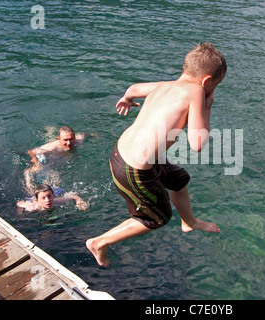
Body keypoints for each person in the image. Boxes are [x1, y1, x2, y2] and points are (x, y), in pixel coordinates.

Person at [86, 43, 226, 267]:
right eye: (215, 86)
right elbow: (197, 143)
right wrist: (208, 106)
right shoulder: (198, 92)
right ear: (206, 80)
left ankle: (189, 222)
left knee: (179, 179)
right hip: (134, 170)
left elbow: (133, 88)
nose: (212, 91)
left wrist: (126, 99)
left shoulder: (165, 85)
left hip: (121, 152)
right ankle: (100, 242)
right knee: (158, 218)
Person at [26, 126, 97, 173]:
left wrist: (94, 136)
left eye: (71, 139)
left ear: (74, 137)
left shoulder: (79, 139)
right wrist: (36, 162)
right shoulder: (51, 148)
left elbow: (84, 134)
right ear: (59, 139)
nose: (69, 143)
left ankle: (51, 131)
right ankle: (49, 131)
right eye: (65, 140)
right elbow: (31, 151)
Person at [17, 184, 88, 213]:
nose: (48, 200)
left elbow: (73, 196)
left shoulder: (55, 201)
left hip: (54, 191)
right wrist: (20, 214)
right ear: (37, 200)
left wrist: (79, 201)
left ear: (53, 196)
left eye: (49, 196)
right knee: (30, 189)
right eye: (43, 198)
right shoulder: (33, 207)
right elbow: (19, 203)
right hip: (31, 199)